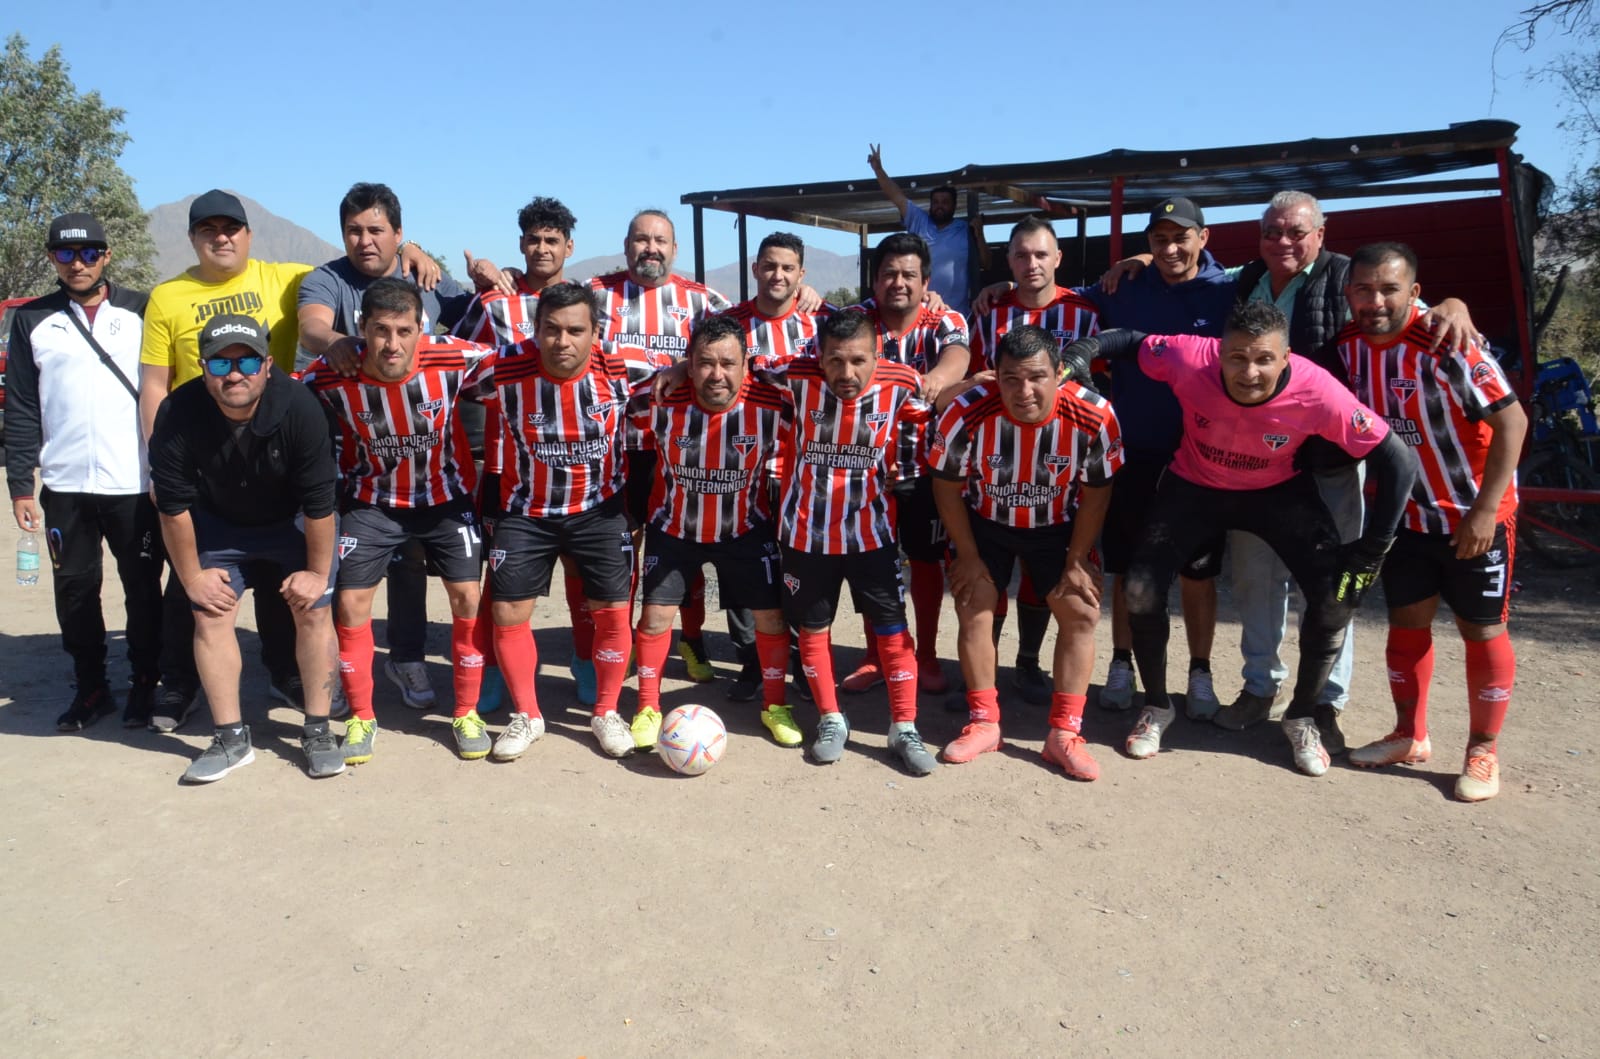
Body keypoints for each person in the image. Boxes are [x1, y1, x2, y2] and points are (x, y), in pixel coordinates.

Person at [1097, 191, 1480, 748]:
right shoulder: (1244, 282)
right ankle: (1247, 690)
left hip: (1319, 461)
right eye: (1272, 232)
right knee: (1245, 584)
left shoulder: (1346, 279)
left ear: (1321, 233)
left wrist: (1453, 303)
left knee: (1334, 591)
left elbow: (1394, 299)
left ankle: (1318, 708)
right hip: (1223, 469)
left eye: (1296, 232)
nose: (1283, 242)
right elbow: (1163, 290)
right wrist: (1137, 261)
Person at [1061, 303, 1419, 776]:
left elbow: (1398, 459)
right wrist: (1083, 351)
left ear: (1286, 357)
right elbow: (1128, 339)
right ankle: (1157, 706)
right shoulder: (1191, 356)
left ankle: (1302, 716)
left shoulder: (1316, 389)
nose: (1250, 373)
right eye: (1237, 358)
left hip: (1277, 493)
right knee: (1140, 590)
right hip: (1194, 488)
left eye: (1264, 359)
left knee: (1337, 599)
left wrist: (1374, 549)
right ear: (1219, 353)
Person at [1337, 243, 1526, 802]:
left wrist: (1485, 512)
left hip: (1473, 518)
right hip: (1407, 518)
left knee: (1482, 630)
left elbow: (1513, 423)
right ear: (1349, 293)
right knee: (1407, 626)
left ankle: (1483, 751)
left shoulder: (1447, 342)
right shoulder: (1348, 347)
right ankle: (1409, 734)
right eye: (1364, 289)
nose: (1376, 301)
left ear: (1414, 293)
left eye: (1389, 289)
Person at [296, 182, 479, 713]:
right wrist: (343, 346)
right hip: (358, 459)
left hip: (431, 466)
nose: (364, 240)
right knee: (346, 576)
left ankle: (408, 657)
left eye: (376, 230)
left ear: (399, 235)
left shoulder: (425, 276)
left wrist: (487, 280)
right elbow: (311, 328)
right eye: (353, 230)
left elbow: (477, 323)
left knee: (413, 563)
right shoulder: (327, 279)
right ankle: (335, 671)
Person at [303, 279, 497, 764]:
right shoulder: (331, 374)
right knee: (351, 603)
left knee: (468, 596)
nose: (392, 344)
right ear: (362, 328)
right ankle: (362, 718)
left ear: (420, 329)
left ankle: (467, 713)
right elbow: (277, 395)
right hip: (372, 503)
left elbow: (523, 362)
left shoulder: (454, 357)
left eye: (404, 331)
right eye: (381, 330)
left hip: (445, 499)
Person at [148, 314, 344, 783]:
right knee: (209, 611)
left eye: (247, 361)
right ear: (202, 368)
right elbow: (173, 509)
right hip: (219, 526)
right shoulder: (177, 412)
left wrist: (317, 575)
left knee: (315, 608)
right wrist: (192, 577)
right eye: (220, 363)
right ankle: (231, 738)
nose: (234, 374)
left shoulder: (300, 406)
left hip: (291, 522)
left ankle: (318, 729)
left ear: (268, 365)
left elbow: (320, 506)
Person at [928, 325, 1120, 780]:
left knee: (1080, 610)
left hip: (1058, 525)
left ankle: (1064, 734)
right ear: (996, 376)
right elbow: (947, 487)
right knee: (974, 601)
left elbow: (1097, 494)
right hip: (986, 521)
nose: (1024, 391)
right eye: (1011, 379)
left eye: (1036, 377)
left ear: (1059, 373)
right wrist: (967, 556)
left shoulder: (1096, 415)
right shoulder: (965, 412)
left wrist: (1078, 559)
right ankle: (984, 723)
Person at [5, 212, 164, 730]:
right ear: (52, 258)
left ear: (106, 256)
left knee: (143, 587)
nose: (78, 264)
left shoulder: (142, 310)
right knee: (74, 589)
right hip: (65, 486)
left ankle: (146, 683)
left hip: (134, 482)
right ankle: (92, 687)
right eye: (66, 254)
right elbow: (22, 405)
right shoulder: (31, 319)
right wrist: (20, 484)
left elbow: (169, 391)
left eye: (89, 253)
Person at [455, 197, 603, 710]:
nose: (542, 248)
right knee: (502, 578)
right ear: (521, 244)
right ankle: (494, 668)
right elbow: (458, 367)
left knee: (580, 574)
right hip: (509, 467)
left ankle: (584, 660)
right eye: (534, 239)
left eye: (551, 240)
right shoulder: (495, 302)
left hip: (579, 468)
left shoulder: (587, 300)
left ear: (569, 247)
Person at [775, 311, 938, 775]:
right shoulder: (794, 375)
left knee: (892, 631)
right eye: (835, 360)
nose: (846, 373)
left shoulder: (902, 381)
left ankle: (904, 727)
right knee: (813, 631)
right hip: (806, 534)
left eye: (858, 360)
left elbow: (932, 410)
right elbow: (737, 370)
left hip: (872, 534)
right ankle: (831, 718)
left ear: (876, 355)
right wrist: (681, 369)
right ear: (819, 357)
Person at [624, 314, 798, 748]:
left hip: (745, 528)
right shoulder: (661, 398)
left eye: (727, 363)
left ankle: (775, 705)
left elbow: (814, 374)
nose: (717, 374)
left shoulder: (773, 404)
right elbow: (613, 402)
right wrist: (675, 370)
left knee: (771, 618)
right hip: (674, 528)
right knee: (655, 618)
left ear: (746, 364)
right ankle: (647, 707)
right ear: (690, 362)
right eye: (704, 363)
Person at [481, 282, 639, 760]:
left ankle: (606, 712)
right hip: (527, 512)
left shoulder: (624, 367)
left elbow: (685, 374)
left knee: (612, 613)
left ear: (595, 332)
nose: (562, 341)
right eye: (551, 329)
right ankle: (527, 716)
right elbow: (435, 370)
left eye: (575, 330)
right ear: (535, 331)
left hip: (599, 510)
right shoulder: (502, 368)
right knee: (507, 612)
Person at [966, 217, 1109, 705]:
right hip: (997, 458)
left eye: (1041, 254)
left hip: (1061, 462)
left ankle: (1028, 663)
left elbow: (1096, 381)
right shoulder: (989, 311)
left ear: (1058, 258)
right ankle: (984, 671)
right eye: (1022, 255)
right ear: (1008, 261)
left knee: (1042, 573)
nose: (1032, 264)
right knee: (987, 578)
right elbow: (979, 378)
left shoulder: (1085, 312)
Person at [591, 210, 734, 685]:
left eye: (660, 241)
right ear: (626, 245)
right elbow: (545, 312)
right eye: (641, 239)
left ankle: (691, 640)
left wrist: (683, 365)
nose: (650, 248)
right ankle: (624, 641)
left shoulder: (702, 301)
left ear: (674, 249)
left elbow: (745, 339)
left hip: (682, 451)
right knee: (620, 550)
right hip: (613, 448)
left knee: (682, 548)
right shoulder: (595, 294)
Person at [836, 233, 970, 696]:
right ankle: (876, 656)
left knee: (926, 564)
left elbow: (958, 354)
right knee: (869, 564)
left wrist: (935, 379)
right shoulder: (856, 320)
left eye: (909, 274)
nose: (898, 282)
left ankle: (926, 656)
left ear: (925, 281)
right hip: (864, 470)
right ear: (874, 280)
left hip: (924, 470)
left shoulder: (944, 319)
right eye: (889, 273)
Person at [717, 231, 833, 702]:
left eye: (787, 268)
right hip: (740, 465)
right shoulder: (728, 324)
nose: (777, 275)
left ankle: (803, 664)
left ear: (802, 273)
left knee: (801, 569)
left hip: (802, 469)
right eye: (769, 266)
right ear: (755, 269)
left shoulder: (824, 321)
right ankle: (751, 662)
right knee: (742, 565)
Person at [867, 144, 989, 315]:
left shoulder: (964, 229)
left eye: (945, 202)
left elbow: (986, 263)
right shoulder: (919, 221)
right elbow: (896, 196)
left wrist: (980, 234)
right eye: (936, 202)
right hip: (921, 313)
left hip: (956, 313)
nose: (940, 206)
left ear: (954, 206)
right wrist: (878, 169)